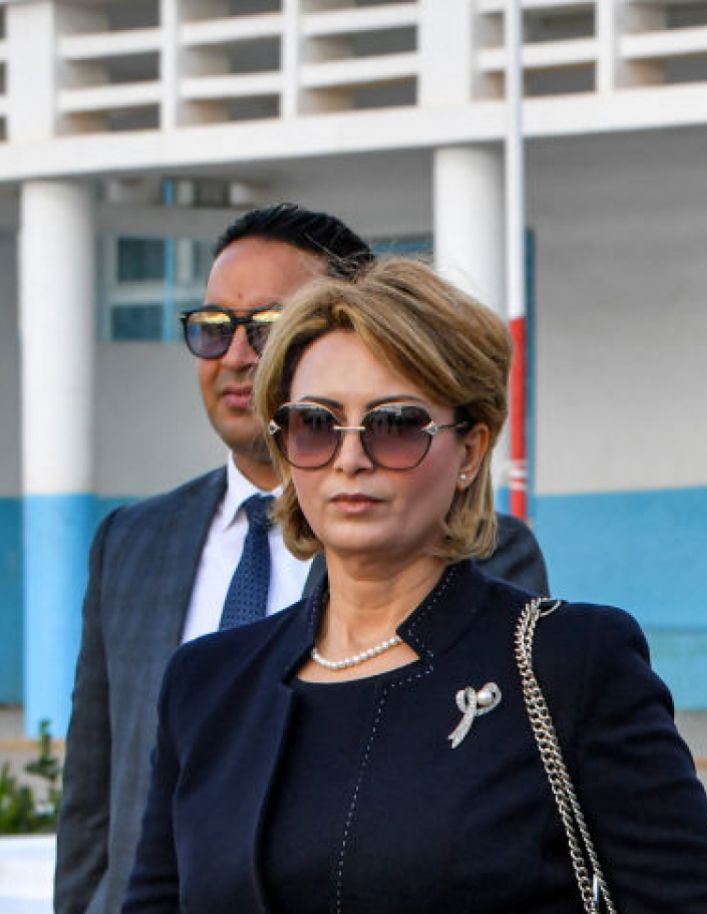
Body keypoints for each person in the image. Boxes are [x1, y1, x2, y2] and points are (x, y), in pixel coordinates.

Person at [121, 256, 707, 913]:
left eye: (394, 426)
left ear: (470, 450)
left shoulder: (570, 663)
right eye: (315, 425)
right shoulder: (205, 685)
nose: (351, 457)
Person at [55, 204, 548, 914]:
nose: (236, 356)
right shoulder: (133, 543)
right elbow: (94, 805)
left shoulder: (478, 556)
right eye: (214, 328)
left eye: (268, 327)